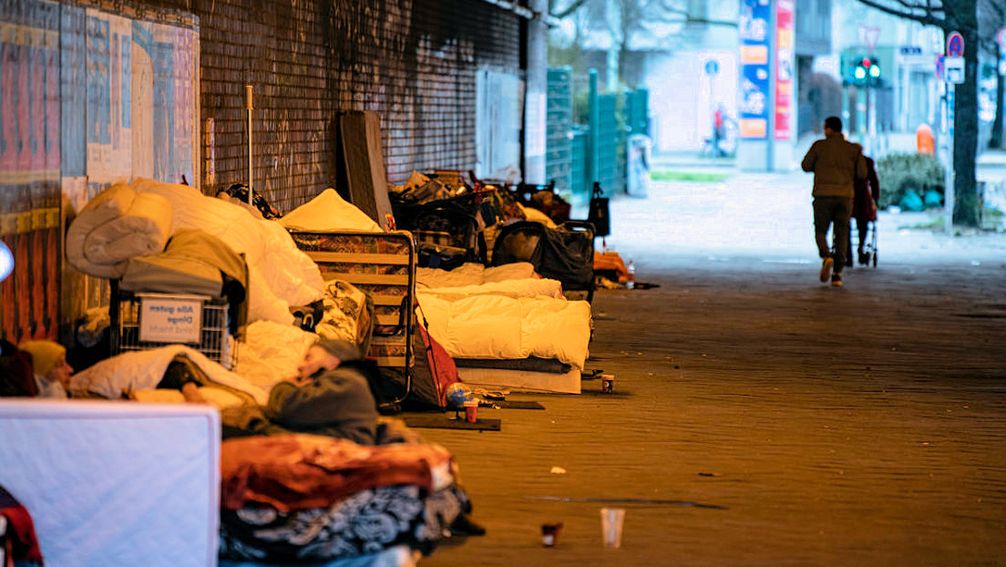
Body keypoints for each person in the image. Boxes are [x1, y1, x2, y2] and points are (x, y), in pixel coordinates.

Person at [801, 116, 866, 287]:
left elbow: (805, 166)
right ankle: (837, 274)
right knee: (842, 233)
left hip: (822, 195)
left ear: (828, 129)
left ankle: (826, 255)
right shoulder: (853, 149)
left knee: (821, 230)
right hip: (845, 196)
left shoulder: (819, 146)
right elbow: (861, 173)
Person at [850, 155, 880, 266]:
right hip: (863, 198)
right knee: (863, 223)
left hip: (849, 196)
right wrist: (875, 198)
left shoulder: (847, 161)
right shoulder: (867, 162)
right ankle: (861, 247)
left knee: (844, 225)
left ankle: (847, 254)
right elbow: (874, 181)